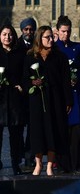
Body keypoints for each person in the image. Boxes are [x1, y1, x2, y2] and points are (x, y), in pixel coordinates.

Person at [23, 26, 73, 176]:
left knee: (54, 132)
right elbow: (24, 79)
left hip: (55, 100)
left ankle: (50, 165)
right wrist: (32, 83)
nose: (51, 40)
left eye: (52, 37)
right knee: (38, 133)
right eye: (47, 37)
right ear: (40, 39)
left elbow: (65, 80)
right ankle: (38, 164)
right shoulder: (30, 57)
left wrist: (68, 101)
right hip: (37, 101)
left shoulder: (60, 57)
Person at [55, 15, 80, 175]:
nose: (66, 35)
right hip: (60, 96)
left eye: (68, 31)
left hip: (76, 95)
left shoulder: (77, 47)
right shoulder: (53, 48)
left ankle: (78, 163)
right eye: (63, 31)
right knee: (61, 131)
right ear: (57, 31)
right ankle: (62, 165)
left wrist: (76, 77)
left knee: (77, 131)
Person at [0, 25, 25, 175]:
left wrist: (22, 86)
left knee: (16, 134)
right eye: (4, 34)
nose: (7, 37)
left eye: (10, 34)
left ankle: (16, 163)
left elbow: (25, 73)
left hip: (15, 100)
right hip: (0, 99)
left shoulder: (20, 53)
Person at [18, 17, 37, 171]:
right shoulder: (16, 46)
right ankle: (18, 155)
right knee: (17, 127)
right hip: (18, 94)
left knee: (32, 128)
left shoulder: (37, 46)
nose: (29, 32)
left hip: (32, 93)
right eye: (26, 29)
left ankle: (29, 158)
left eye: (31, 29)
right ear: (22, 30)